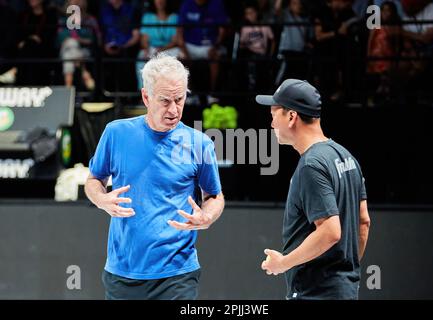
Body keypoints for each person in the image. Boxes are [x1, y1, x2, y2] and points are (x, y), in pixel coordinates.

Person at [85, 54, 225, 300]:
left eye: (179, 99)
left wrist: (208, 216)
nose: (174, 109)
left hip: (177, 274)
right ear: (146, 97)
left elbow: (214, 195)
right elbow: (94, 180)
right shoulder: (116, 133)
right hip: (122, 272)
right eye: (165, 100)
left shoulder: (199, 143)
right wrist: (101, 199)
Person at [255, 79, 371, 300]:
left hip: (316, 293)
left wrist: (283, 263)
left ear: (291, 117)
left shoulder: (311, 165)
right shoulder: (346, 156)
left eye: (273, 115)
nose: (271, 124)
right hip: (344, 291)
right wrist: (344, 273)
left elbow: (330, 231)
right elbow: (363, 222)